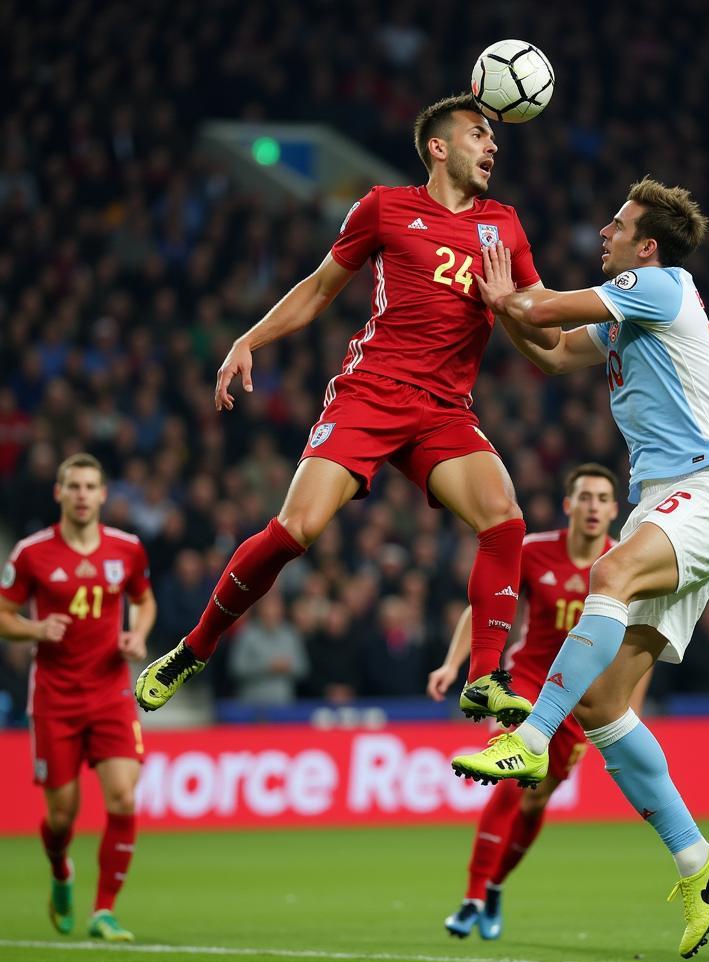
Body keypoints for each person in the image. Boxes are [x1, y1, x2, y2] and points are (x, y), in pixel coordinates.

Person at [135, 94, 544, 726]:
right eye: (478, 135)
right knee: (296, 529)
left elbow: (540, 320)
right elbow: (320, 289)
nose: (493, 146)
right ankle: (194, 648)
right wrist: (250, 338)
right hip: (371, 392)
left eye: (494, 138)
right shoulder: (384, 207)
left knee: (505, 520)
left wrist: (562, 308)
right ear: (438, 147)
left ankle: (485, 677)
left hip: (445, 410)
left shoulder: (506, 226)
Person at [451, 178, 709, 959]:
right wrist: (501, 308)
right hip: (666, 498)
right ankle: (698, 860)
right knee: (604, 704)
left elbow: (547, 309)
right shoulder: (630, 315)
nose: (604, 230)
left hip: (707, 487)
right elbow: (552, 354)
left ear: (646, 246)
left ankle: (529, 735)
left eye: (617, 224)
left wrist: (509, 288)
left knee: (608, 577)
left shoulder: (657, 286)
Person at [430, 463, 649, 939]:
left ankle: (494, 888)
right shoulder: (534, 552)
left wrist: (630, 704)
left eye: (602, 498)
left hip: (583, 699)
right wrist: (453, 664)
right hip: (527, 682)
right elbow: (486, 603)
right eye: (584, 497)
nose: (593, 506)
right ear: (569, 506)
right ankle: (471, 897)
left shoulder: (623, 565)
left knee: (534, 803)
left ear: (615, 510)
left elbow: (640, 643)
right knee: (510, 780)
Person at [0, 453, 156, 941]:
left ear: (104, 494)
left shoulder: (127, 549)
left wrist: (138, 636)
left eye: (91, 486)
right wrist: (34, 628)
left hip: (110, 693)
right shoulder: (30, 554)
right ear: (59, 494)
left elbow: (143, 601)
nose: (83, 495)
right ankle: (61, 871)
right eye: (75, 487)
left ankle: (104, 910)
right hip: (55, 699)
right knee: (61, 816)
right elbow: (3, 615)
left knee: (124, 798)